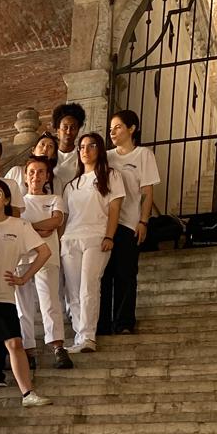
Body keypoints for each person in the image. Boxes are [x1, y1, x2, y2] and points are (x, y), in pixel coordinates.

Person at [0, 179, 51, 408]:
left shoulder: (18, 226)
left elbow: (44, 251)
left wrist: (24, 277)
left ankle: (27, 392)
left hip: (3, 295)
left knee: (14, 343)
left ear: (8, 199)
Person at [60, 133, 125, 355]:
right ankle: (79, 336)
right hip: (70, 239)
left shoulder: (111, 176)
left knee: (89, 286)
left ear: (100, 149)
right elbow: (66, 218)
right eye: (82, 147)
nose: (85, 151)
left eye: (91, 146)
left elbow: (114, 209)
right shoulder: (71, 185)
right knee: (73, 291)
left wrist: (109, 236)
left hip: (96, 237)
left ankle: (88, 336)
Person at [102, 108, 161, 336]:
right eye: (110, 129)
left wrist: (143, 221)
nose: (113, 132)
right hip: (105, 225)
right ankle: (102, 324)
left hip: (128, 224)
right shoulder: (106, 156)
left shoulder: (143, 155)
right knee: (104, 276)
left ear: (132, 128)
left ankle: (124, 322)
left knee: (126, 274)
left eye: (117, 127)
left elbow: (147, 190)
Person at [15, 154, 71, 370]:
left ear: (47, 176)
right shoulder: (18, 204)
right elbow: (29, 227)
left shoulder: (54, 199)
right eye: (31, 172)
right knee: (23, 307)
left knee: (50, 302)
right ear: (25, 176)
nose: (35, 176)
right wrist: (40, 227)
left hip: (47, 258)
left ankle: (57, 346)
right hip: (21, 257)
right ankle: (29, 349)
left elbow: (56, 221)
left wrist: (27, 226)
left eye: (40, 172)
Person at [51, 102, 86, 194]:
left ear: (78, 131)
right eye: (65, 127)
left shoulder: (82, 155)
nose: (68, 132)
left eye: (73, 128)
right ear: (58, 130)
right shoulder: (49, 153)